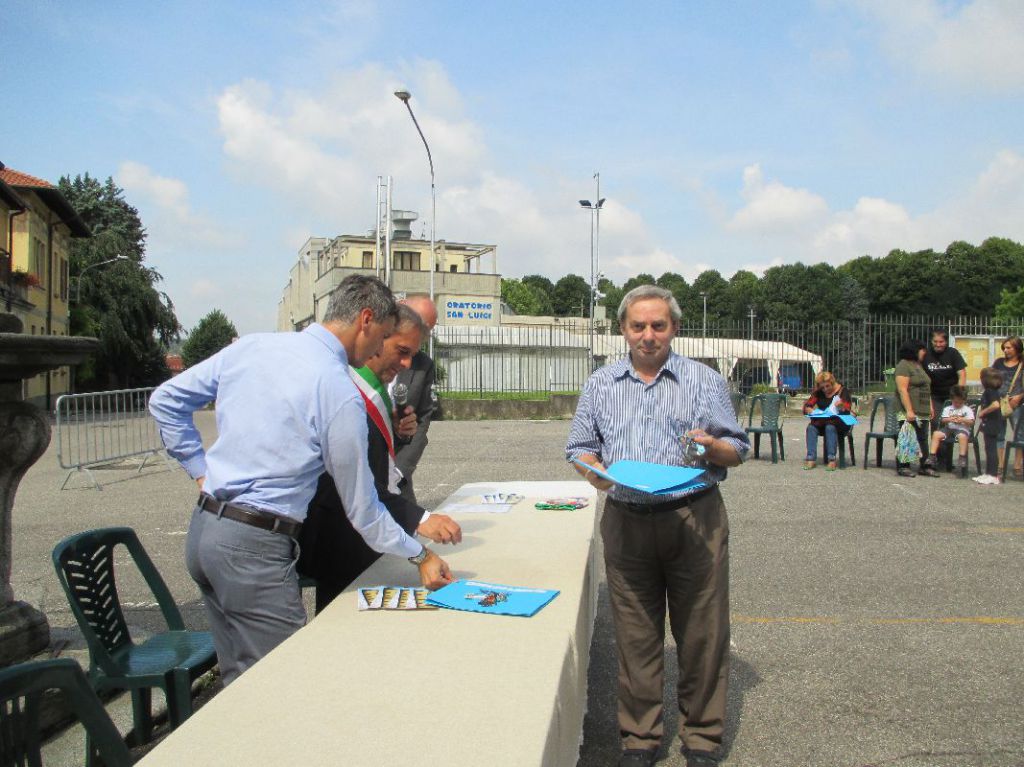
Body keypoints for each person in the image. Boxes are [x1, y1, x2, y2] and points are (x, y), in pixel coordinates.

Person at [149, 275, 453, 685]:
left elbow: (165, 400)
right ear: (365, 320)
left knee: (241, 682)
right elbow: (363, 510)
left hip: (205, 530)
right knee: (288, 683)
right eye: (383, 337)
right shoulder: (337, 388)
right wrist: (420, 555)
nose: (380, 351)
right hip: (254, 548)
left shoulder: (253, 346)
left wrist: (201, 471)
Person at [565, 285, 749, 767]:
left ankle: (702, 737)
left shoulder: (704, 380)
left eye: (658, 325)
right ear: (623, 329)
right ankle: (639, 738)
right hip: (626, 519)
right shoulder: (601, 383)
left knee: (703, 631)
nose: (648, 335)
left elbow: (737, 448)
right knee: (635, 634)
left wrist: (712, 446)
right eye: (638, 326)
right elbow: (580, 446)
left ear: (675, 328)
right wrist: (594, 472)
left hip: (695, 517)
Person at [298, 305, 461, 613]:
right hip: (336, 534)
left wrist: (397, 434)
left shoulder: (374, 388)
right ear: (378, 336)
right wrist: (420, 525)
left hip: (361, 526)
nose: (407, 363)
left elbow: (372, 457)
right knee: (342, 622)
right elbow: (358, 487)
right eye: (402, 351)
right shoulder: (344, 389)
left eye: (412, 354)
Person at [392, 294, 439, 505]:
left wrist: (399, 472)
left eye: (427, 331)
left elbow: (421, 421)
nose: (420, 334)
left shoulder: (423, 365)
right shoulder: (362, 357)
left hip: (397, 473)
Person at [894, 339, 935, 478]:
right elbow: (902, 389)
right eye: (922, 349)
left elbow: (926, 387)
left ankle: (925, 465)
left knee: (922, 438)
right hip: (909, 410)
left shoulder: (919, 365)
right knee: (907, 437)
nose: (924, 352)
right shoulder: (903, 366)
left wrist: (930, 406)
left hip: (922, 409)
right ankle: (903, 466)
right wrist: (909, 410)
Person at [801, 371, 854, 471]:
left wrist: (841, 406)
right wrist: (808, 409)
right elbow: (808, 404)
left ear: (832, 383)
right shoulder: (819, 392)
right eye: (822, 387)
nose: (825, 389)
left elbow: (847, 409)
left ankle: (832, 460)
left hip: (840, 423)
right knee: (811, 428)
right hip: (823, 421)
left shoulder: (843, 391)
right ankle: (811, 459)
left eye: (827, 386)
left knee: (830, 427)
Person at [923, 385, 973, 478]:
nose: (957, 404)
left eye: (960, 402)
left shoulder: (967, 409)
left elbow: (971, 421)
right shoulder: (948, 408)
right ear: (952, 400)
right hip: (949, 428)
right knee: (936, 434)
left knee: (962, 437)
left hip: (961, 429)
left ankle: (962, 457)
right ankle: (932, 455)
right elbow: (943, 420)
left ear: (964, 400)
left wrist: (962, 420)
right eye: (955, 402)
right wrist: (950, 419)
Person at [992, 335, 1024, 478]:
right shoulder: (998, 363)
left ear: (1017, 348)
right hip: (1000, 402)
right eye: (1004, 348)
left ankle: (1017, 465)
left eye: (1009, 347)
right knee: (999, 434)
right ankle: (1000, 465)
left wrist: (1019, 397)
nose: (1005, 350)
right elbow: (991, 379)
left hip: (1017, 404)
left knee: (1020, 435)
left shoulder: (1022, 364)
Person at [923, 330, 967, 430]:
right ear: (931, 341)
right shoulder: (926, 355)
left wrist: (958, 395)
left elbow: (962, 374)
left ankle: (950, 440)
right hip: (934, 395)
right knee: (936, 422)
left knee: (952, 421)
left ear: (946, 342)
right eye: (935, 341)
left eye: (941, 342)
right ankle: (936, 440)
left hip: (951, 395)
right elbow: (923, 379)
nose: (938, 344)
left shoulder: (953, 353)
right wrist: (928, 402)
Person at [973, 367, 1006, 485]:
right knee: (988, 448)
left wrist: (983, 412)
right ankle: (988, 473)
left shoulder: (990, 391)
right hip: (991, 422)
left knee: (991, 449)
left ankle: (993, 475)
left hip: (992, 423)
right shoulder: (993, 391)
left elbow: (995, 405)